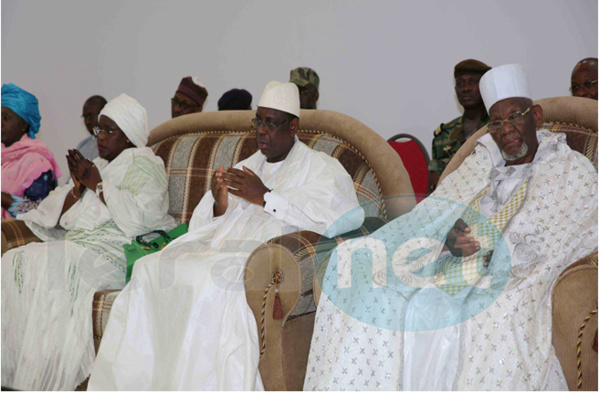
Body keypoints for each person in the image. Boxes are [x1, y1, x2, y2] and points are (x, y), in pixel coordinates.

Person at [304, 64, 597, 391]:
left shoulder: (567, 169)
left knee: (487, 313)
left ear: (537, 116)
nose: (507, 129)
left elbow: (568, 229)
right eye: (497, 122)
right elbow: (432, 214)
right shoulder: (480, 163)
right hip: (447, 261)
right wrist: (442, 247)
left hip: (510, 272)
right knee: (361, 270)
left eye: (516, 115)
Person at [88, 81, 365, 390]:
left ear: (293, 126)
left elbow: (338, 219)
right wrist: (220, 203)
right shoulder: (247, 165)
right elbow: (206, 223)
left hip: (257, 256)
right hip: (220, 246)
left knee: (207, 282)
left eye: (270, 123)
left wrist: (266, 197)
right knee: (149, 269)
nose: (261, 130)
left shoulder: (320, 168)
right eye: (258, 121)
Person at [1, 94, 177, 391]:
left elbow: (142, 219)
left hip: (116, 249)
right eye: (99, 130)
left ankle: (47, 379)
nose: (101, 138)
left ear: (130, 135)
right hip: (82, 241)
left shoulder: (146, 164)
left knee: (59, 265)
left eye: (109, 131)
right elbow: (57, 212)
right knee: (15, 260)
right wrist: (78, 188)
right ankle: (14, 376)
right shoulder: (96, 164)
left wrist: (96, 184)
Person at [428, 59, 491, 193]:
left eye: (472, 82)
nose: (466, 88)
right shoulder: (443, 135)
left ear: (485, 86)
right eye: (460, 84)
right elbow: (435, 186)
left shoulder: (499, 128)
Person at [1, 83, 62, 219]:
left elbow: (41, 213)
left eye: (6, 118)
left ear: (24, 125)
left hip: (20, 238)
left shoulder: (37, 163)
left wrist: (3, 198)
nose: (0, 123)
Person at [76, 95, 107, 160]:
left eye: (91, 116)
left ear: (104, 113)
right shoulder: (82, 146)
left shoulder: (111, 145)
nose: (87, 122)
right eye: (85, 117)